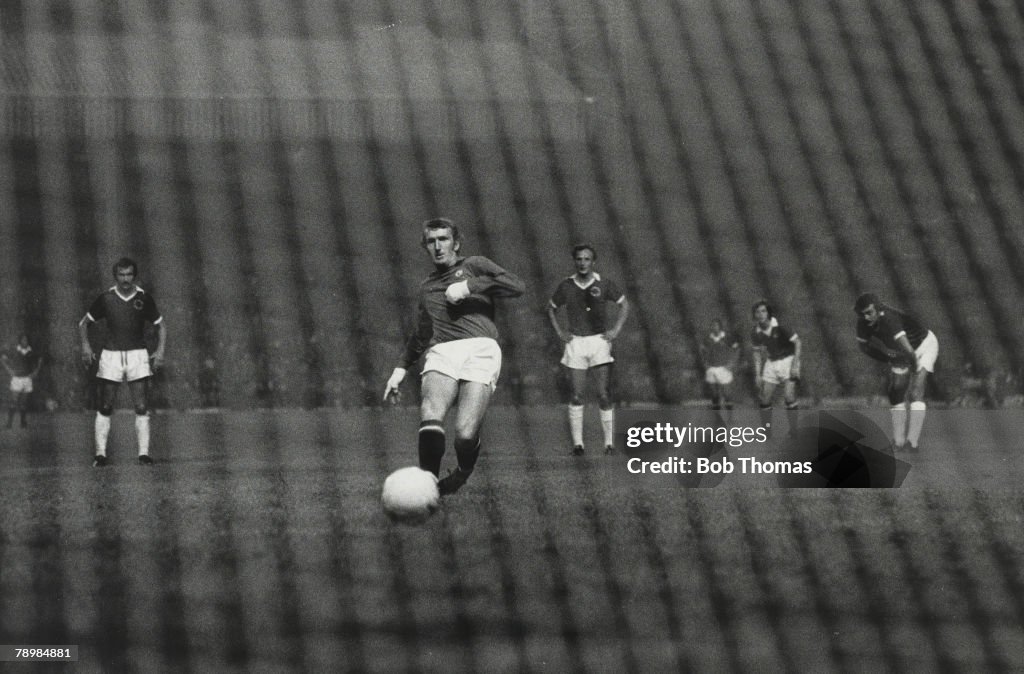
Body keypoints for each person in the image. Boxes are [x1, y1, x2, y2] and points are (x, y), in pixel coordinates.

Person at [383, 218, 524, 495]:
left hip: (481, 350)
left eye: (443, 239)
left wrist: (470, 287)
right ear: (425, 247)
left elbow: (517, 286)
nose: (437, 246)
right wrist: (399, 371)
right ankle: (428, 489)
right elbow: (422, 334)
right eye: (431, 241)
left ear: (456, 243)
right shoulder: (427, 288)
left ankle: (463, 471)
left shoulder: (475, 265)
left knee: (464, 434)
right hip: (443, 351)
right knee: (431, 413)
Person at [78, 257, 166, 466]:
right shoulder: (106, 298)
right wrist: (86, 346)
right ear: (115, 276)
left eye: (129, 274)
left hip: (137, 355)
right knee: (106, 405)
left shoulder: (144, 298)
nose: (125, 279)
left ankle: (143, 454)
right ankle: (100, 454)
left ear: (134, 275)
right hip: (111, 355)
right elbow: (83, 324)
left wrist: (160, 351)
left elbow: (162, 326)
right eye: (121, 274)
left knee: (142, 405)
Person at [547, 244, 630, 455]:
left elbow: (624, 304)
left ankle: (609, 444)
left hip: (599, 342)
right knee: (577, 395)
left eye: (587, 259)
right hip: (576, 343)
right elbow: (551, 308)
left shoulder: (604, 284)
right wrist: (560, 332)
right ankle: (578, 444)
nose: (582, 263)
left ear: (593, 262)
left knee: (603, 394)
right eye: (579, 259)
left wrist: (616, 330)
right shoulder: (566, 286)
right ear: (575, 261)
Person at [854, 293, 939, 452]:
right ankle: (898, 442)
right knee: (895, 393)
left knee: (915, 393)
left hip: (924, 347)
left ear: (878, 309)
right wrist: (889, 358)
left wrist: (914, 370)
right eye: (862, 313)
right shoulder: (863, 323)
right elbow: (864, 348)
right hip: (902, 353)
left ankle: (912, 444)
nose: (866, 317)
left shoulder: (889, 319)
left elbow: (909, 352)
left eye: (869, 312)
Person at [750, 300, 801, 437]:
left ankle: (794, 429)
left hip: (788, 360)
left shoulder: (780, 326)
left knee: (789, 396)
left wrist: (795, 365)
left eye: (763, 311)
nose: (760, 314)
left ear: (768, 313)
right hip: (771, 363)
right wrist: (757, 374)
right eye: (757, 312)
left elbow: (797, 343)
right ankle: (766, 431)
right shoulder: (755, 332)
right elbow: (756, 354)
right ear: (754, 315)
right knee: (765, 399)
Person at [699, 318, 740, 426]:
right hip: (712, 369)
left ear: (720, 327)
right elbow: (702, 351)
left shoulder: (727, 337)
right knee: (714, 395)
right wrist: (705, 365)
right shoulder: (707, 339)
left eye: (716, 325)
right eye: (712, 325)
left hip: (724, 369)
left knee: (727, 394)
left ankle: (730, 418)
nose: (714, 327)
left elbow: (737, 350)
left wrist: (731, 364)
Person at [2, 334, 43, 429]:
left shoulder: (31, 351)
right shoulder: (14, 350)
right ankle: (9, 423)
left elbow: (40, 359)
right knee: (14, 401)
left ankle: (23, 422)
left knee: (24, 402)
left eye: (26, 339)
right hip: (17, 379)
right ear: (20, 340)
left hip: (27, 378)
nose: (25, 341)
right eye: (23, 339)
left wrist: (36, 371)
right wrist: (9, 371)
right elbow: (3, 359)